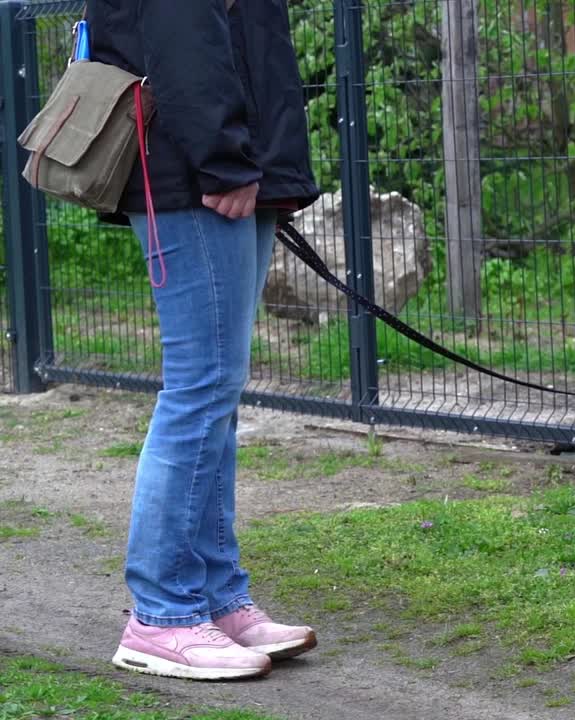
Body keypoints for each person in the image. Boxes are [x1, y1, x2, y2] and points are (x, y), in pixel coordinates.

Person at [85, 0, 322, 680]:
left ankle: (217, 599)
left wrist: (256, 164)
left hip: (232, 166)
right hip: (196, 172)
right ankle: (161, 615)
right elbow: (181, 34)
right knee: (200, 388)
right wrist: (224, 161)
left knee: (216, 393)